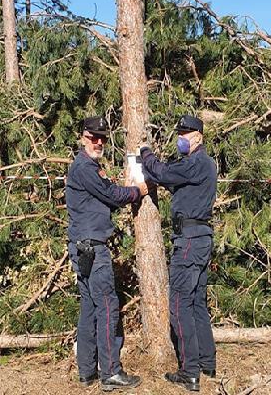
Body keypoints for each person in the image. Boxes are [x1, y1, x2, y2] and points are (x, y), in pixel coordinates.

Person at [66, 116, 147, 390]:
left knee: (89, 309)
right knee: (108, 306)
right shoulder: (85, 167)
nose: (98, 142)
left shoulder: (88, 167)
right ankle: (110, 372)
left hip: (82, 248)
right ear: (82, 137)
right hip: (92, 249)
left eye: (102, 138)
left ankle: (87, 371)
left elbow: (104, 198)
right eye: (93, 137)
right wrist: (137, 192)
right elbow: (111, 195)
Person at [139, 114, 217, 392]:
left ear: (199, 137)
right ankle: (207, 362)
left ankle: (189, 371)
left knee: (180, 303)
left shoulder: (196, 162)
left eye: (186, 134)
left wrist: (145, 154)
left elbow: (162, 173)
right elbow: (170, 181)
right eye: (180, 133)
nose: (181, 138)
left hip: (189, 241)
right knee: (196, 302)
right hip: (200, 238)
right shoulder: (199, 166)